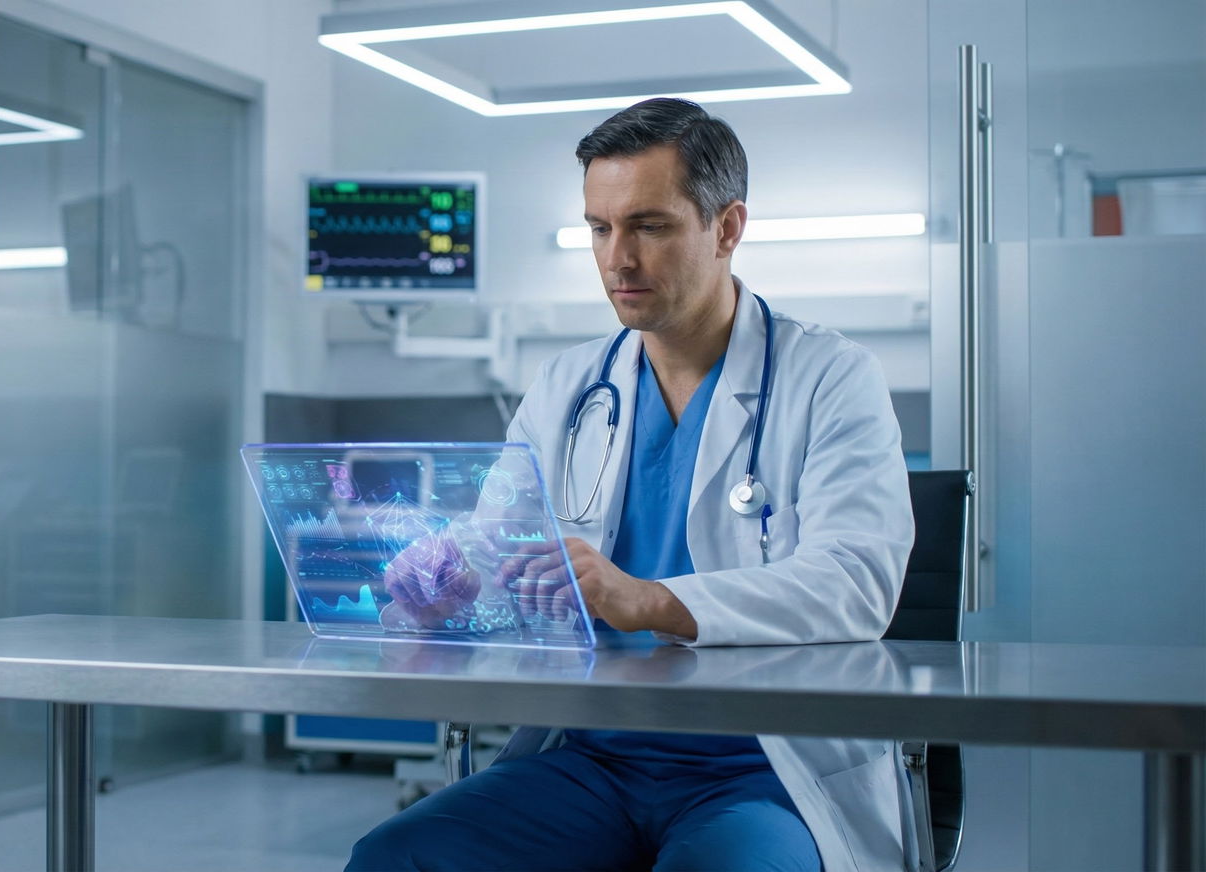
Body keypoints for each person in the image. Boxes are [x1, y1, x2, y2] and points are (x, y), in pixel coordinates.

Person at [346, 97, 916, 872]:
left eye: (649, 226)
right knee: (397, 857)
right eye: (600, 228)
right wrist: (449, 592)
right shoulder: (568, 386)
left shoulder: (831, 378)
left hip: (763, 773)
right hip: (591, 762)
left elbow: (858, 581)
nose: (618, 258)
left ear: (727, 228)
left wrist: (649, 599)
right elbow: (497, 553)